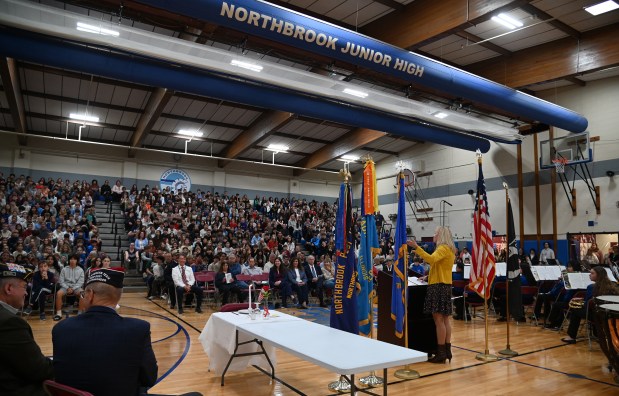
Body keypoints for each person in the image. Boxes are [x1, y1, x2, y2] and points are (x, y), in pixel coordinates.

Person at [52, 268, 159, 395]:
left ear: (90, 295)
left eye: (83, 294)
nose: (83, 297)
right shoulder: (139, 329)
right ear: (118, 298)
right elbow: (149, 378)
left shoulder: (61, 328)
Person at [0, 263, 54, 396]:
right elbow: (38, 370)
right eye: (24, 287)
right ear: (9, 288)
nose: (26, 292)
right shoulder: (10, 323)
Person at [407, 226, 456, 363]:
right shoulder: (450, 249)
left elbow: (431, 260)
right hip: (445, 284)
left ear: (441, 235)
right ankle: (447, 350)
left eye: (436, 233)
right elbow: (440, 268)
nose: (433, 235)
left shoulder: (442, 248)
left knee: (438, 320)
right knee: (445, 320)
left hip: (438, 287)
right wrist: (428, 277)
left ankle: (441, 353)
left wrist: (417, 247)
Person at [561, 266, 619, 344]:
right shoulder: (613, 286)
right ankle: (598, 334)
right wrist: (583, 300)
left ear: (598, 275)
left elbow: (587, 305)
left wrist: (582, 301)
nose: (589, 275)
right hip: (610, 315)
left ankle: (571, 337)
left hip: (596, 316)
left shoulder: (592, 287)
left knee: (575, 311)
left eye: (592, 273)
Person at [53, 254, 85, 321]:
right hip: (65, 287)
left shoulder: (80, 270)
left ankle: (80, 313)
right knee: (59, 293)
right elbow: (61, 281)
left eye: (74, 259)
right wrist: (67, 288)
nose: (72, 261)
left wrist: (73, 289)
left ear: (77, 260)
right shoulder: (64, 269)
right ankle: (59, 314)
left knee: (82, 294)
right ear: (69, 260)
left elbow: (81, 282)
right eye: (71, 259)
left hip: (76, 287)